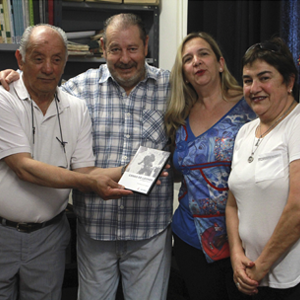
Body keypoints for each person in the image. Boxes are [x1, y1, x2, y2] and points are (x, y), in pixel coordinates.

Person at [0, 14, 173, 300]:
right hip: (95, 230)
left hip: (148, 230)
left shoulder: (172, 87)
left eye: (133, 49)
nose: (125, 58)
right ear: (103, 47)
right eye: (116, 49)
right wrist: (9, 75)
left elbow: (86, 169)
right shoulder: (78, 89)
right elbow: (39, 86)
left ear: (146, 46)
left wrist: (126, 170)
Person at [164, 32, 256, 300]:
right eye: (188, 59)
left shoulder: (249, 105)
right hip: (189, 237)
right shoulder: (179, 114)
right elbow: (182, 170)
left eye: (203, 54)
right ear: (184, 72)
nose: (197, 62)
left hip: (243, 238)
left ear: (220, 63)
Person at [226, 36, 300, 299]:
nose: (254, 88)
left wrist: (260, 268)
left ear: (289, 82)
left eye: (264, 77)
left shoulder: (297, 124)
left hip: (288, 281)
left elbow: (298, 209)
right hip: (248, 274)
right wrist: (236, 254)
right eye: (248, 80)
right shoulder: (245, 132)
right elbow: (233, 204)